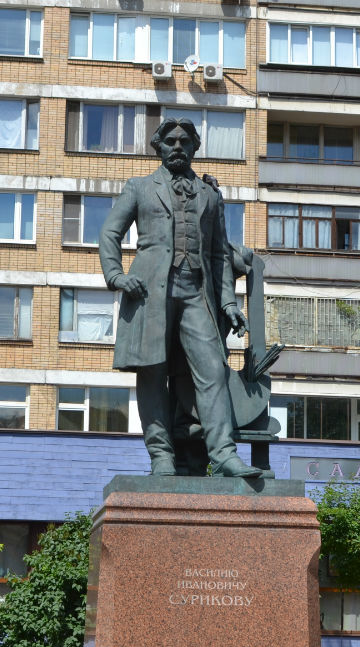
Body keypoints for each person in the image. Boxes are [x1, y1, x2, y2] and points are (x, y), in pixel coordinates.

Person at [97, 117, 261, 478]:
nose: (176, 146)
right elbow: (109, 233)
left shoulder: (210, 195)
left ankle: (223, 454)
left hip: (195, 293)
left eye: (184, 141)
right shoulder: (139, 187)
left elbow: (219, 255)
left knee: (213, 370)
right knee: (152, 373)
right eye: (169, 140)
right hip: (149, 294)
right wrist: (116, 276)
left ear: (194, 147)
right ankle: (161, 456)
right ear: (158, 146)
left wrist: (228, 302)